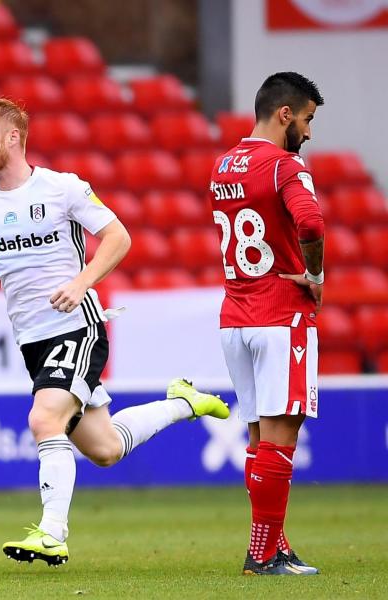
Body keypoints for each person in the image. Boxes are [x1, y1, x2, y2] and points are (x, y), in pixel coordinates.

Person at [0, 98, 230, 566]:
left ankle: (53, 532)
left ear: (12, 137)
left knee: (43, 419)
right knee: (105, 449)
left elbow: (119, 237)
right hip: (32, 341)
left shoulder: (62, 188)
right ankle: (183, 402)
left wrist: (81, 283)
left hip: (77, 327)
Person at [208, 72, 325, 576]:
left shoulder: (221, 165)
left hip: (235, 314)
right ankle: (261, 554)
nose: (308, 131)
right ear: (285, 114)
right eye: (307, 119)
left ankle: (275, 546)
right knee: (281, 437)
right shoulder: (286, 166)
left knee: (260, 440)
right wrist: (314, 273)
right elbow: (312, 224)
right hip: (280, 313)